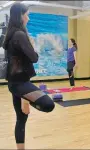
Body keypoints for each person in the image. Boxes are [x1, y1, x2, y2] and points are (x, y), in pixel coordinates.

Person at [3, 3, 55, 149]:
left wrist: (24, 99)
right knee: (48, 104)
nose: (28, 18)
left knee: (21, 119)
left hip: (16, 83)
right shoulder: (19, 34)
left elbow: (20, 64)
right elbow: (34, 58)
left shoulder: (11, 34)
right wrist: (32, 43)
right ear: (20, 16)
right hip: (19, 85)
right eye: (27, 14)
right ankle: (25, 99)